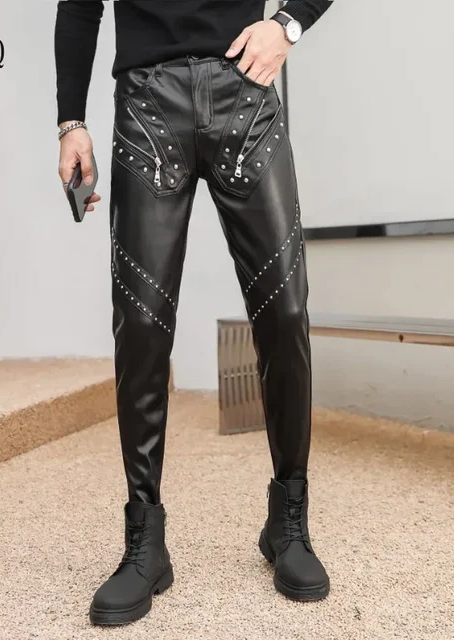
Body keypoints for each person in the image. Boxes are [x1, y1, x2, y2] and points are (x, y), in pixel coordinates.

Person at [55, 0, 334, 626]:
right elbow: (78, 5)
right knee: (141, 324)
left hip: (244, 93)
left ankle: (288, 521)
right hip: (148, 103)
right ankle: (145, 541)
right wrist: (70, 121)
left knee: (286, 312)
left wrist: (287, 25)